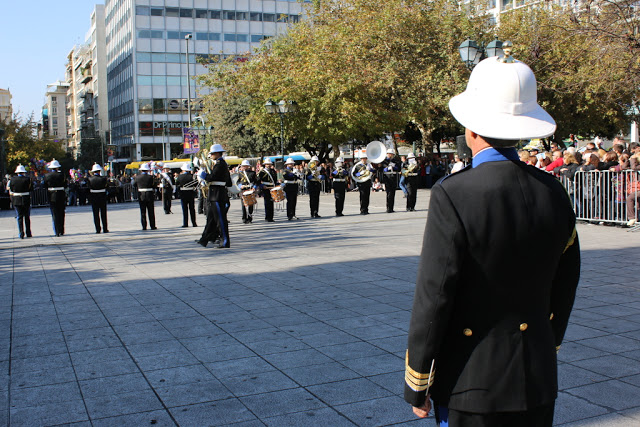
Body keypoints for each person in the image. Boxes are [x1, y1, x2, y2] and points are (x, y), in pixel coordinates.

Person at [405, 49, 580, 426]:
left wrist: (418, 380)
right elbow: (567, 281)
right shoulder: (553, 191)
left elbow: (435, 295)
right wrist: (547, 344)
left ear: (471, 130)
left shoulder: (454, 193)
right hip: (536, 376)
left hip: (470, 381)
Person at [197, 144, 232, 248]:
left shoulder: (220, 164)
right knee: (211, 219)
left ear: (217, 153)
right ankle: (204, 239)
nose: (210, 156)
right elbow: (229, 182)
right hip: (215, 194)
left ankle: (225, 241)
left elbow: (212, 177)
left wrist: (203, 175)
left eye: (212, 154)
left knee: (220, 220)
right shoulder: (220, 164)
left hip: (217, 195)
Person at [9, 165, 32, 239]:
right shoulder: (27, 179)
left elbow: (11, 189)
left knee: (19, 217)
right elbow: (31, 188)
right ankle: (28, 232)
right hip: (26, 198)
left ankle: (21, 233)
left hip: (17, 199)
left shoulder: (12, 179)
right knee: (27, 217)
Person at [44, 159, 66, 237]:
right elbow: (65, 184)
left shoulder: (47, 176)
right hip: (61, 195)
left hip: (51, 195)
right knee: (61, 213)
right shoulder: (62, 175)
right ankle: (61, 230)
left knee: (54, 214)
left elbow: (45, 186)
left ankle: (56, 231)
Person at [88, 163, 109, 234]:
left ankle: (97, 229)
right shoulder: (104, 178)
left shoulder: (90, 179)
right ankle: (105, 228)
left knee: (96, 214)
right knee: (103, 214)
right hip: (102, 197)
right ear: (99, 171)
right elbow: (107, 187)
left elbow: (88, 189)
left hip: (94, 198)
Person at [135, 163, 157, 230]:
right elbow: (154, 185)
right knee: (151, 211)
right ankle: (152, 226)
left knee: (143, 211)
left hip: (141, 194)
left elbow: (134, 184)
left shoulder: (137, 177)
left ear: (141, 170)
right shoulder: (151, 177)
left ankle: (144, 226)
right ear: (147, 170)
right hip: (149, 194)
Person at [176, 163, 198, 228]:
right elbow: (196, 184)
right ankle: (194, 223)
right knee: (192, 209)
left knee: (184, 209)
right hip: (191, 193)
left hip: (183, 194)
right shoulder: (192, 176)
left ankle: (185, 223)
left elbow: (177, 184)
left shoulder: (180, 176)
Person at [256, 158, 277, 222]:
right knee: (267, 202)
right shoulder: (262, 172)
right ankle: (267, 217)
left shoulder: (273, 171)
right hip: (266, 188)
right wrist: (262, 186)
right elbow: (258, 181)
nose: (268, 165)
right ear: (265, 165)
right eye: (267, 164)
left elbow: (275, 180)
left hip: (272, 187)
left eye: (269, 164)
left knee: (271, 202)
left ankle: (271, 217)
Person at [381, 148, 401, 213]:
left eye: (392, 154)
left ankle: (391, 208)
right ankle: (388, 208)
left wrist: (394, 167)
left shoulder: (395, 161)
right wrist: (388, 168)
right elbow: (383, 169)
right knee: (388, 193)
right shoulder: (384, 161)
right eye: (389, 154)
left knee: (393, 193)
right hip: (387, 177)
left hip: (393, 177)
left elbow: (398, 168)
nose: (390, 155)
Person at [238, 159, 257, 224]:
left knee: (251, 204)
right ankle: (244, 218)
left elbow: (255, 182)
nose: (244, 167)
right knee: (243, 205)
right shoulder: (240, 173)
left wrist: (254, 187)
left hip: (250, 189)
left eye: (246, 166)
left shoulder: (253, 173)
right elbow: (238, 181)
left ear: (248, 166)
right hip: (243, 190)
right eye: (243, 166)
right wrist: (240, 185)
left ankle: (250, 218)